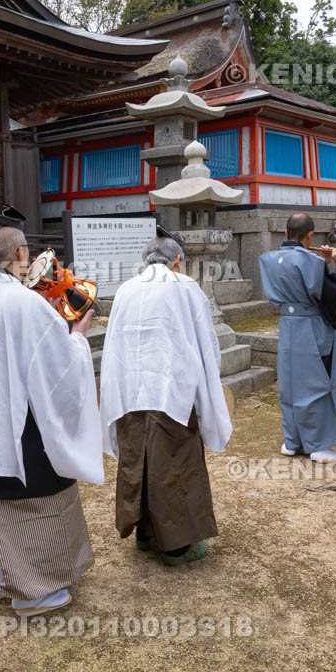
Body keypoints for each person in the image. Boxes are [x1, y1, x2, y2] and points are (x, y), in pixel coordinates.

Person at [0, 205, 103, 617]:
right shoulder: (24, 304)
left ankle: (3, 573)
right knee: (35, 498)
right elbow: (57, 365)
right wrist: (78, 336)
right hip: (24, 420)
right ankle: (33, 591)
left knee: (0, 493)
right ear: (22, 253)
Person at [99, 230, 232, 565]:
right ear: (177, 261)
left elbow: (114, 345)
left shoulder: (127, 290)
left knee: (138, 461)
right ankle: (176, 545)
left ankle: (144, 533)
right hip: (173, 393)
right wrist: (207, 386)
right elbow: (206, 344)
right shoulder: (186, 288)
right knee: (174, 466)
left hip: (130, 394)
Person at [258, 213, 336, 463]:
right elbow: (334, 294)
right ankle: (317, 445)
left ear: (285, 233)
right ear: (311, 235)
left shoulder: (269, 259)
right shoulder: (310, 261)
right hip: (311, 327)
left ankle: (293, 442)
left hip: (288, 325)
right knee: (317, 384)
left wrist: (322, 263)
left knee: (291, 383)